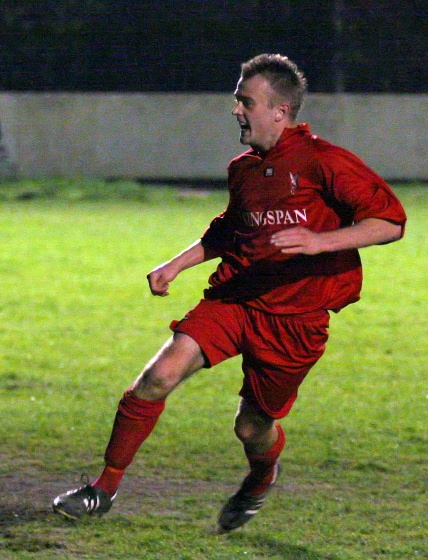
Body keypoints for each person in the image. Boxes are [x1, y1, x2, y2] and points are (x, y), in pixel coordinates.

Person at [52, 53, 407, 531]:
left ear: (279, 111)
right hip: (234, 298)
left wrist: (320, 241)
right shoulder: (243, 169)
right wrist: (176, 264)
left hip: (294, 319)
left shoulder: (326, 161)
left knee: (251, 428)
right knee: (158, 377)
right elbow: (227, 231)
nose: (237, 110)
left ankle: (260, 481)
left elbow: (389, 221)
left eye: (246, 102)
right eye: (237, 100)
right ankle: (103, 489)